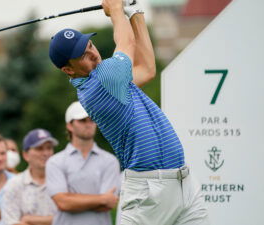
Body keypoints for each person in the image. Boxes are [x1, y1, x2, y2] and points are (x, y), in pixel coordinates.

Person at [48, 0, 209, 224]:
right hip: (147, 193)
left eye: (91, 46)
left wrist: (135, 13)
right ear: (68, 70)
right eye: (84, 55)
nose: (93, 54)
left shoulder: (115, 81)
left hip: (184, 185)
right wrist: (115, 9)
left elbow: (148, 69)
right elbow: (128, 41)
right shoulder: (101, 81)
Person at [46, 101, 121, 225]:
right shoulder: (55, 161)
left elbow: (108, 205)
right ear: (69, 126)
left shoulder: (110, 161)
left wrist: (71, 199)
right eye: (82, 120)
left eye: (92, 120)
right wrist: (102, 199)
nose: (88, 124)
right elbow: (63, 203)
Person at [1, 128, 57, 225]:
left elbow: (72, 219)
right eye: (39, 148)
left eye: (49, 148)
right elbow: (11, 222)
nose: (45, 153)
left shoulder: (64, 180)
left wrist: (30, 220)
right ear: (26, 155)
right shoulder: (14, 184)